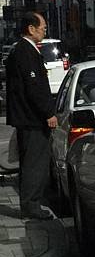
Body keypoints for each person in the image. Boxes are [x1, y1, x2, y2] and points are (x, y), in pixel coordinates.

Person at [5, 11, 57, 220]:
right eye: (42, 27)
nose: (44, 30)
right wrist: (48, 112)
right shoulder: (24, 52)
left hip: (28, 117)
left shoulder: (25, 50)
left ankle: (31, 204)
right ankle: (32, 205)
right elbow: (34, 87)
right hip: (32, 119)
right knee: (35, 163)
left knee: (33, 161)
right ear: (31, 28)